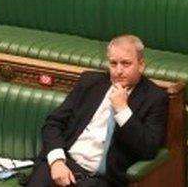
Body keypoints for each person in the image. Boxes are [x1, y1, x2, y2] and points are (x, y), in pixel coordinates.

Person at [26, 35, 168, 187]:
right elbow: (53, 123)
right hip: (64, 164)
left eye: (126, 64)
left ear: (141, 65)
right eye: (113, 63)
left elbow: (148, 149)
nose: (118, 70)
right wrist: (56, 161)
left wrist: (122, 110)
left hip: (99, 180)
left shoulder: (155, 98)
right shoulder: (90, 82)